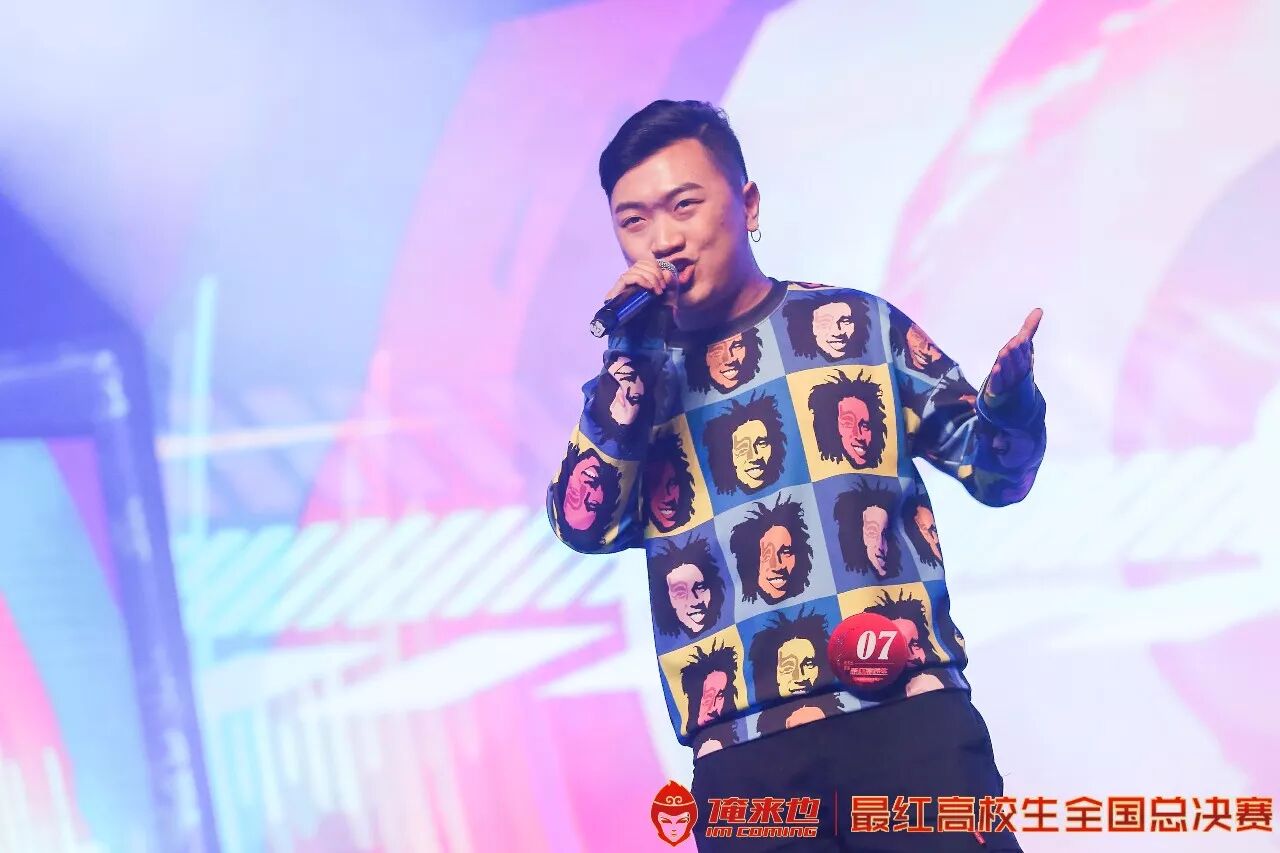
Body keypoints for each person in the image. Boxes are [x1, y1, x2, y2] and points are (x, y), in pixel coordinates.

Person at [546, 99, 1045, 851]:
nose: (664, 239)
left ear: (747, 206)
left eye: (685, 205)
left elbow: (995, 474)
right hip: (745, 759)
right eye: (635, 220)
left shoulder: (857, 325)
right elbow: (583, 524)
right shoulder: (632, 387)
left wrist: (1012, 405)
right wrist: (629, 358)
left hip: (907, 721)